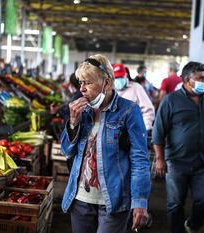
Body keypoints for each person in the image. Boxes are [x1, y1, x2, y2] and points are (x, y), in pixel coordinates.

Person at [60, 54, 150, 233]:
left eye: (88, 83)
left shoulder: (129, 111)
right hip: (80, 199)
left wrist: (140, 201)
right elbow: (67, 152)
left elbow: (140, 159)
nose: (82, 89)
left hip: (113, 200)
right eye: (80, 83)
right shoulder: (81, 110)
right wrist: (72, 123)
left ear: (107, 83)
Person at [152, 61, 204, 233]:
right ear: (187, 80)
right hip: (176, 162)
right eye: (200, 78)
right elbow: (158, 131)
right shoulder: (170, 101)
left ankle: (193, 225)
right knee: (175, 204)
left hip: (202, 161)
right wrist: (159, 159)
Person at [113, 64, 155, 132]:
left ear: (125, 75)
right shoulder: (109, 90)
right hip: (113, 132)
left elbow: (147, 109)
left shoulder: (136, 88)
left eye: (120, 77)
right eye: (116, 78)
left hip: (133, 131)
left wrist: (146, 128)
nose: (118, 79)